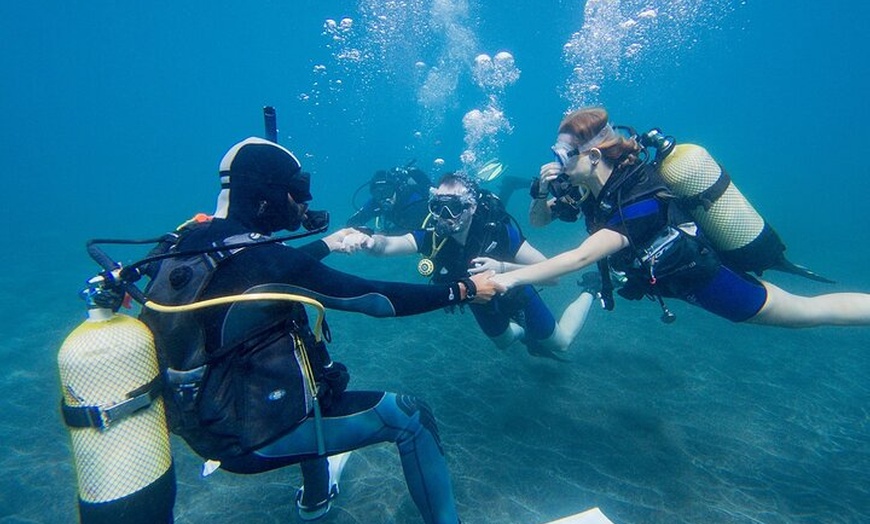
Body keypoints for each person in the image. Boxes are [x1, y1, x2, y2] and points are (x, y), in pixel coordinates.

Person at [139, 137, 496, 523]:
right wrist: (463, 290)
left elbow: (258, 273)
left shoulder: (185, 241)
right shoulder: (267, 261)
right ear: (266, 194)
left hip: (202, 422)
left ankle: (315, 500)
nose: (304, 203)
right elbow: (375, 299)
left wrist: (327, 244)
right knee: (411, 417)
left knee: (310, 388)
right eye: (298, 190)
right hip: (249, 438)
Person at [492, 106, 870, 328]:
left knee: (807, 312)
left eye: (564, 155)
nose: (557, 163)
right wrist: (540, 192)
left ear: (592, 157)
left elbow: (580, 258)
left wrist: (508, 276)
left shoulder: (636, 199)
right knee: (804, 310)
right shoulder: (590, 189)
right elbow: (539, 221)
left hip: (708, 282)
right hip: (675, 279)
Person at [335, 172, 596, 359]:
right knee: (505, 342)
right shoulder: (433, 236)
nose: (443, 217)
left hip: (517, 294)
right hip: (478, 301)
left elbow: (552, 276)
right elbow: (389, 245)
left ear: (471, 207)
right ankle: (526, 334)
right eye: (437, 207)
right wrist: (369, 241)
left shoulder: (498, 231)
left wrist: (502, 268)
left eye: (453, 207)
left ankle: (591, 289)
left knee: (560, 343)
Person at [346, 165, 432, 233]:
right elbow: (352, 222)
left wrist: (382, 235)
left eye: (387, 192)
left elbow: (415, 227)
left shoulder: (411, 198)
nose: (384, 198)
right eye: (378, 194)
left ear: (396, 190)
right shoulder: (375, 203)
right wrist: (362, 231)